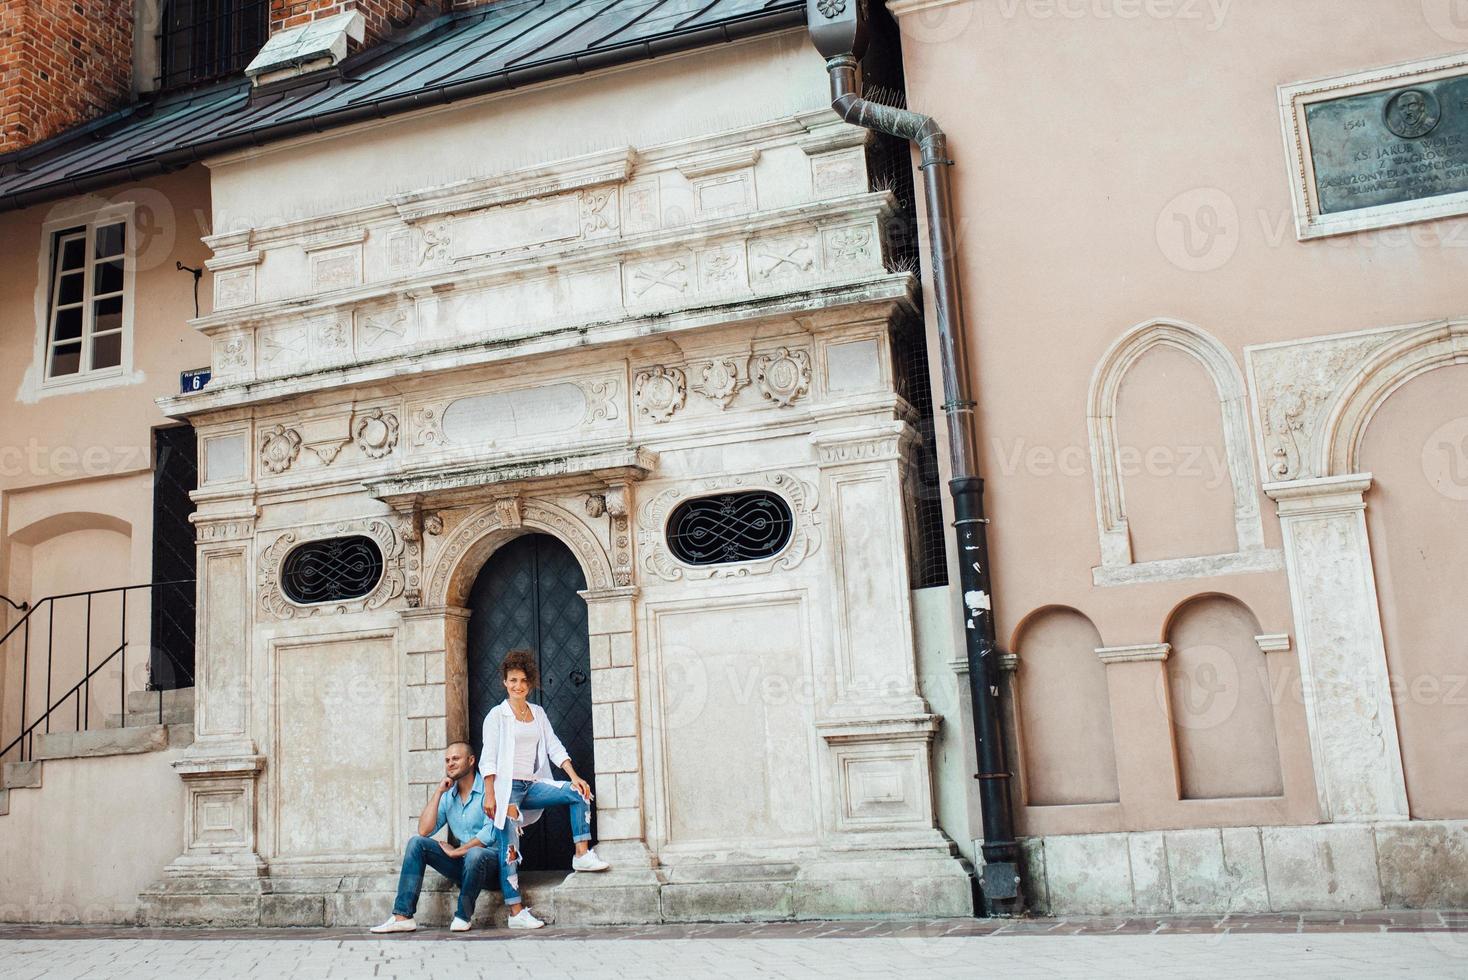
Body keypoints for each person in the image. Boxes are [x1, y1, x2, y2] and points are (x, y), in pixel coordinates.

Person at [371, 740, 545, 933]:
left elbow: (490, 832)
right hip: (464, 865)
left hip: (494, 866)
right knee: (416, 843)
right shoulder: (448, 795)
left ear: (471, 760)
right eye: (447, 760)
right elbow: (424, 830)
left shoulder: (490, 791)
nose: (450, 763)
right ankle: (402, 916)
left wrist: (459, 851)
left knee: (476, 853)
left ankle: (463, 916)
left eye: (455, 758)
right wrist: (438, 792)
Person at [481, 649, 611, 876]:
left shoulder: (538, 713)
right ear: (505, 682)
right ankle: (515, 908)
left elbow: (554, 746)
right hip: (507, 790)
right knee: (510, 851)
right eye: (513, 680)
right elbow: (488, 757)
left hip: (531, 785)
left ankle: (581, 855)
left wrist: (574, 776)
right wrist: (490, 793)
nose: (518, 686)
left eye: (523, 680)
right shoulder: (496, 715)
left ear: (529, 684)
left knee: (579, 792)